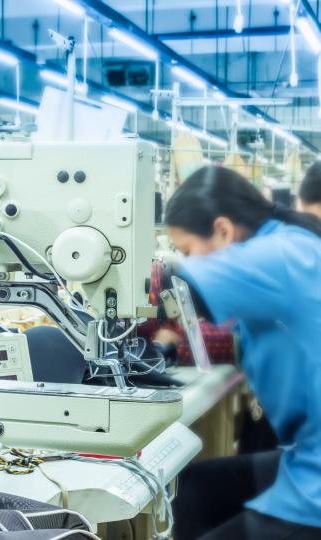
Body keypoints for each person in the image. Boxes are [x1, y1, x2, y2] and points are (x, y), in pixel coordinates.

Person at [165, 165, 321, 540]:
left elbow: (179, 289)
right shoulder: (289, 244)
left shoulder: (277, 253)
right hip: (305, 450)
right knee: (195, 489)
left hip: (315, 478)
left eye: (187, 250)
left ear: (222, 230)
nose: (187, 259)